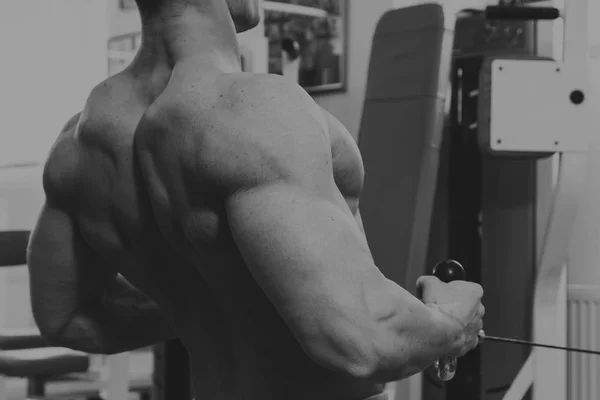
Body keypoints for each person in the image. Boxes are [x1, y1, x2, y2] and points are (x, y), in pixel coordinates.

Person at [27, 1, 485, 399]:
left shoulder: (77, 147)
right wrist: (450, 323)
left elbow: (66, 316)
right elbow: (358, 339)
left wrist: (206, 307)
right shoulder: (254, 110)